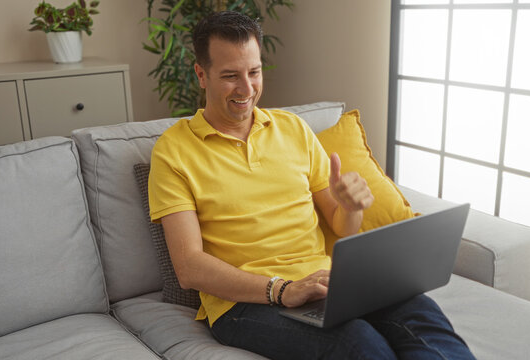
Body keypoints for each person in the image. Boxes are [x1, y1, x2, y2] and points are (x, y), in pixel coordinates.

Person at [148, 10, 475, 360]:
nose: (246, 89)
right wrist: (281, 289)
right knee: (358, 342)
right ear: (201, 74)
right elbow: (189, 267)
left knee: (422, 315)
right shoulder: (174, 150)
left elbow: (340, 224)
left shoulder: (293, 129)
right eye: (230, 76)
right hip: (244, 304)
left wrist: (351, 208)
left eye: (254, 72)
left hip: (327, 283)